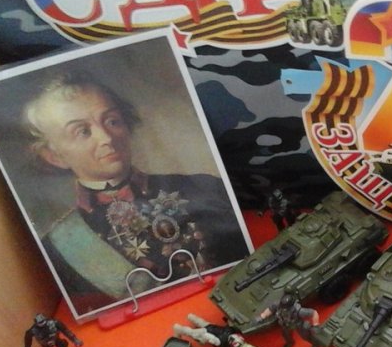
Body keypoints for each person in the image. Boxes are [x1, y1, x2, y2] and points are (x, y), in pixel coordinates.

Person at [22, 73, 248, 315]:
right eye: (83, 131)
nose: (106, 138)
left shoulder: (205, 187)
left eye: (112, 121)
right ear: (54, 156)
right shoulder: (59, 246)